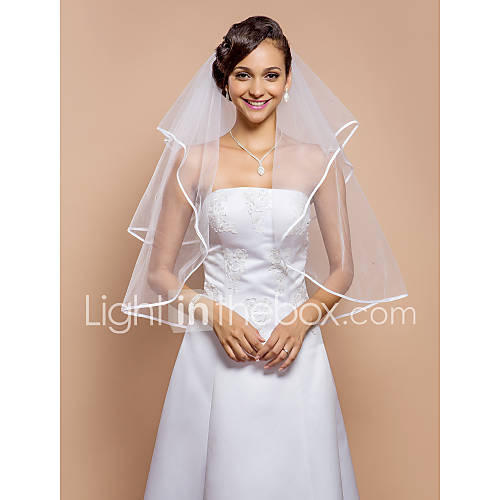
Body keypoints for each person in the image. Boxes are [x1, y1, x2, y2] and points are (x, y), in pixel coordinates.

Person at [121, 15, 408, 500]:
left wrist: (301, 320)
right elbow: (160, 273)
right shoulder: (194, 160)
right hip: (215, 349)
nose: (257, 89)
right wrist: (214, 313)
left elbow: (344, 269)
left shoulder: (319, 161)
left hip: (293, 346)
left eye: (271, 75)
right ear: (225, 80)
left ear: (288, 79)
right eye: (243, 75)